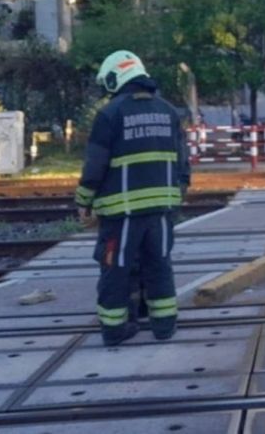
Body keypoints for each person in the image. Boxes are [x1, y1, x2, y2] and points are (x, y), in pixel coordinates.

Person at [75, 50, 190, 347]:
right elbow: (182, 163)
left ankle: (114, 330)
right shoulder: (168, 111)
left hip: (121, 213)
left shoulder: (110, 114)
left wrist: (84, 200)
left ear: (115, 78)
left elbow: (95, 165)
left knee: (115, 270)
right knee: (159, 266)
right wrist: (177, 194)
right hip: (162, 211)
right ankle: (164, 326)